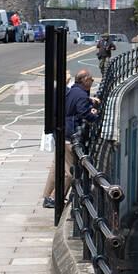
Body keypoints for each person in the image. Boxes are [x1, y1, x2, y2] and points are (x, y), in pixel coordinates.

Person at [42, 69, 99, 208]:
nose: (92, 82)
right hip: (69, 136)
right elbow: (83, 112)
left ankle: (47, 196)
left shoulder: (73, 91)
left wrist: (89, 102)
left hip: (62, 133)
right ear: (85, 81)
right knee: (69, 171)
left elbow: (76, 108)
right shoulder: (80, 94)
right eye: (91, 80)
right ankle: (56, 199)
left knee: (56, 167)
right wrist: (95, 116)